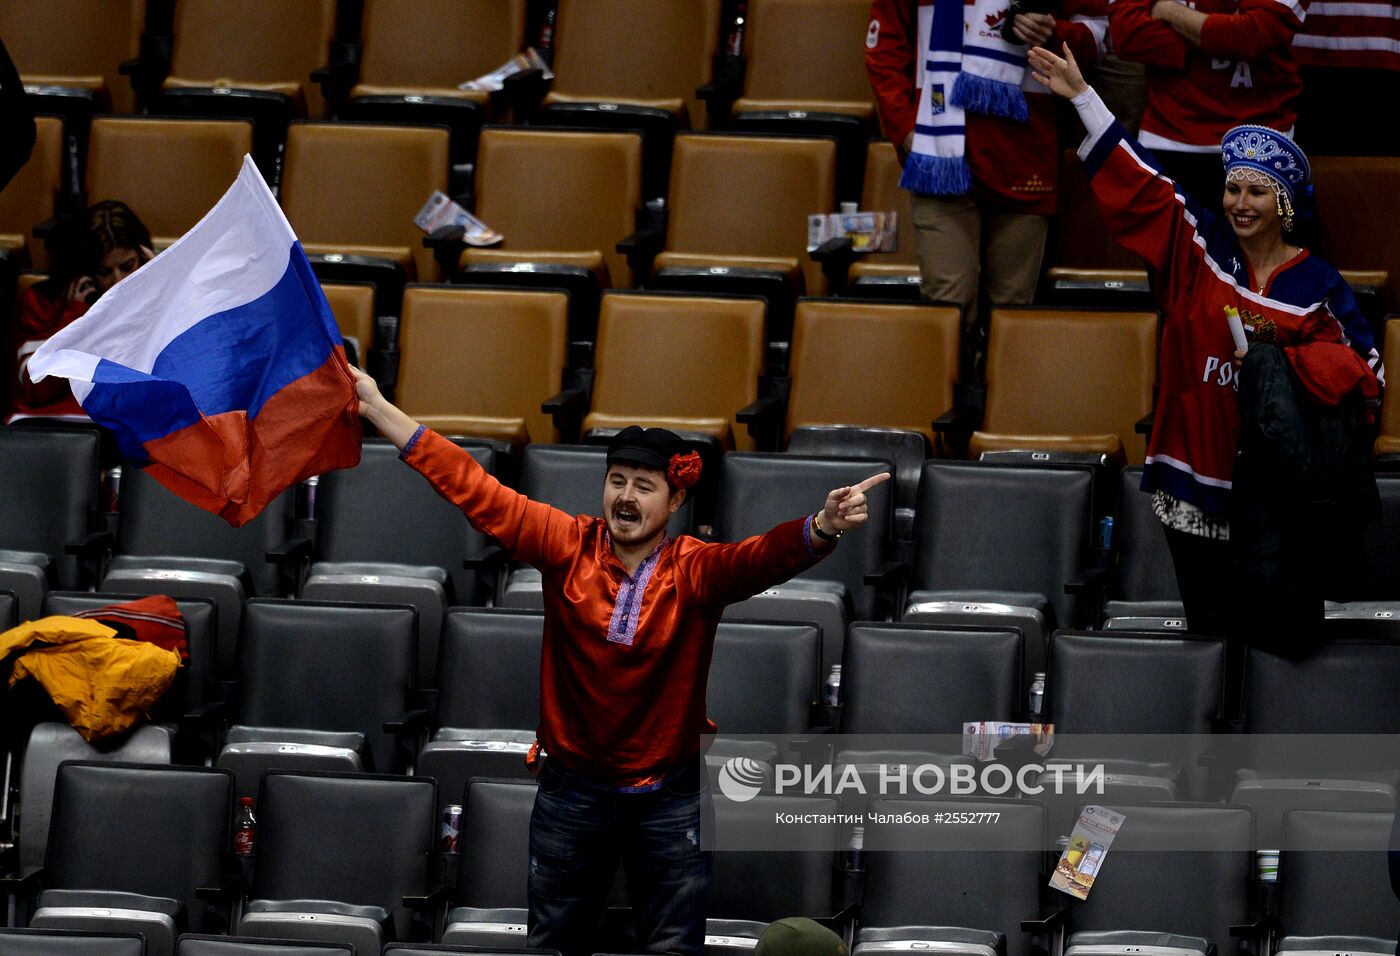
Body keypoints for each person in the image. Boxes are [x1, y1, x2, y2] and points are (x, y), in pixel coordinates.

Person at [351, 365, 889, 956]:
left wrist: (820, 527)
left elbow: (758, 559)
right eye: (617, 480)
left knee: (672, 947)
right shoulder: (566, 544)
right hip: (570, 791)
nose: (626, 498)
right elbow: (477, 489)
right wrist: (378, 408)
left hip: (670, 794)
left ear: (677, 498)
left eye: (644, 485)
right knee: (554, 944)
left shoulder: (695, 569)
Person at [1028, 43, 1382, 697]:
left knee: (1276, 647)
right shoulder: (1196, 245)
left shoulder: (1320, 287)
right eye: (1233, 188)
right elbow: (1140, 179)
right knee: (1209, 641)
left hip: (1275, 499)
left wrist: (1275, 350)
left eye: (1256, 191)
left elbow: (1365, 374)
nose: (1241, 203)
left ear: (1286, 202)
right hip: (1192, 478)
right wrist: (1083, 94)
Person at [865, 0, 1104, 380]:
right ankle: (944, 430)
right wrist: (904, 129)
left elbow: (1099, 34)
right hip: (942, 159)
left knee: (1009, 320)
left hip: (1023, 156)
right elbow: (885, 49)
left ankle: (998, 432)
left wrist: (1054, 33)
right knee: (948, 312)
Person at [1107, 0, 1305, 206]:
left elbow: (1248, 37)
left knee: (1274, 237)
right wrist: (1221, 32)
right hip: (1169, 136)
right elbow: (1128, 36)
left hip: (1263, 142)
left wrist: (1169, 11)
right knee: (1169, 237)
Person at [8, 200, 153, 423]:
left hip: (126, 424)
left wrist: (162, 286)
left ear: (142, 258)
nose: (118, 280)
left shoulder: (154, 295)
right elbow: (35, 389)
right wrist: (73, 319)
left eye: (127, 265)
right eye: (104, 271)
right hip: (51, 425)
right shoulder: (45, 299)